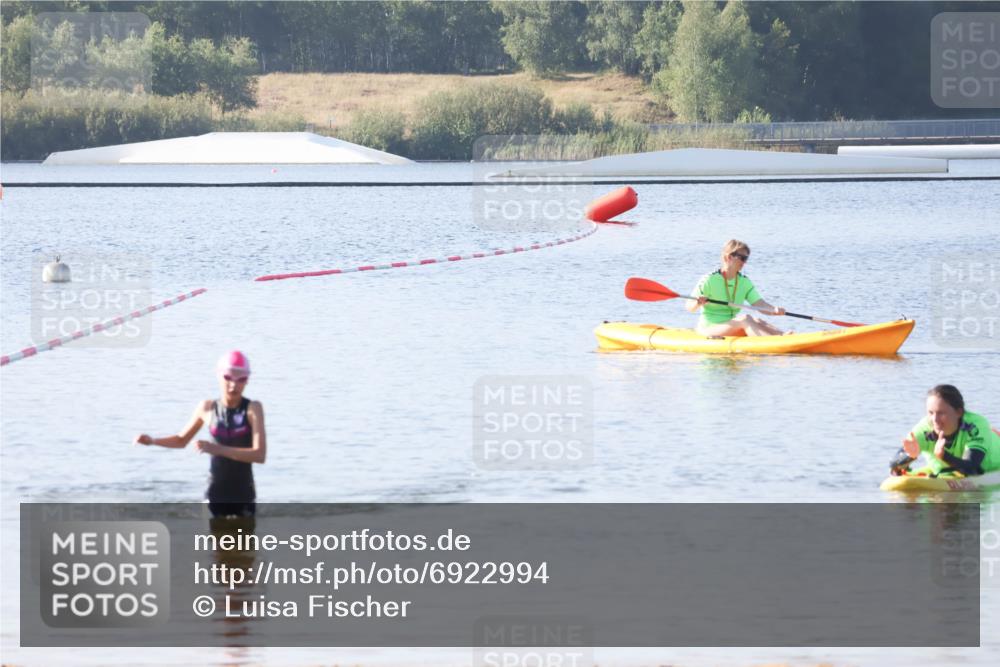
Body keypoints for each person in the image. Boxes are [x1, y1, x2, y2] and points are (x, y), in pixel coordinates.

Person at [135, 351, 266, 517]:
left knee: (244, 535)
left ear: (247, 380)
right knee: (209, 534)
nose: (234, 385)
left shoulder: (253, 409)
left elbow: (259, 455)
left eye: (241, 379)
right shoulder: (207, 408)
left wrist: (217, 449)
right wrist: (153, 441)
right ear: (219, 376)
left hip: (244, 496)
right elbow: (181, 440)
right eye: (228, 378)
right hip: (214, 496)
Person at [890, 384, 1000, 477]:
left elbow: (971, 468)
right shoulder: (924, 429)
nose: (935, 419)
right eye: (930, 413)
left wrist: (944, 456)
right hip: (948, 471)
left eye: (941, 413)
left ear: (959, 412)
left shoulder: (975, 426)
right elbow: (893, 465)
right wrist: (909, 457)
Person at [687, 240, 787, 336]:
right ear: (728, 257)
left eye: (746, 258)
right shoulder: (709, 280)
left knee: (757, 320)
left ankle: (784, 336)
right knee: (746, 318)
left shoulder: (744, 282)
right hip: (709, 328)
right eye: (742, 258)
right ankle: (771, 343)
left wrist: (774, 310)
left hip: (731, 325)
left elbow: (760, 304)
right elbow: (689, 307)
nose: (744, 262)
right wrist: (698, 303)